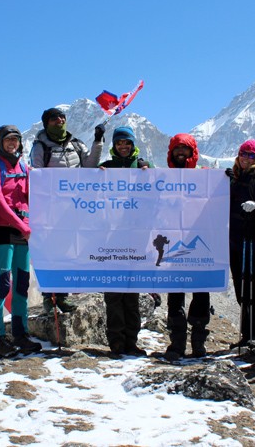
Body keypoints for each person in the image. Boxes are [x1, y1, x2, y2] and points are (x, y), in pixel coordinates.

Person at [30, 106, 105, 314]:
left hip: (74, 208)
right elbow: (37, 176)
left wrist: (98, 141)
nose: (60, 121)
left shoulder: (76, 144)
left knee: (68, 252)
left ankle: (62, 297)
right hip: (51, 210)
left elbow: (89, 166)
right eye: (54, 119)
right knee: (50, 253)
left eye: (62, 117)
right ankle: (48, 297)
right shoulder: (40, 146)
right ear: (47, 123)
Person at [0, 125, 43, 357]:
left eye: (15, 140)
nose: (12, 143)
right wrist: (20, 225)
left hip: (24, 231)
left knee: (21, 285)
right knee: (3, 285)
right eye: (8, 140)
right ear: (0, 142)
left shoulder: (24, 167)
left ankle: (21, 334)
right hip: (4, 231)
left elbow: (34, 195)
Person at [99, 126, 154, 356]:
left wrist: (148, 175)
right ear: (114, 145)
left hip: (136, 238)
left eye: (127, 143)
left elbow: (156, 193)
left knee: (132, 294)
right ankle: (116, 342)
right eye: (119, 143)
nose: (123, 146)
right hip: (111, 238)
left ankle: (131, 341)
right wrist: (96, 177)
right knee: (113, 294)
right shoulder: (106, 167)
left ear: (133, 145)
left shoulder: (143, 166)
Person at [163, 133, 212, 360]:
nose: (181, 153)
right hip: (173, 243)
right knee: (175, 295)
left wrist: (225, 180)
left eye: (185, 149)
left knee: (201, 293)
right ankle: (177, 343)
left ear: (193, 153)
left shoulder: (205, 176)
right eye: (177, 149)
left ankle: (198, 343)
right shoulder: (162, 177)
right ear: (171, 152)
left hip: (201, 243)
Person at [226, 140, 255, 348]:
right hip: (236, 240)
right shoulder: (238, 177)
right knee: (242, 287)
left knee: (252, 286)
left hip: (251, 240)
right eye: (243, 154)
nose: (246, 158)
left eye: (251, 155)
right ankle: (247, 334)